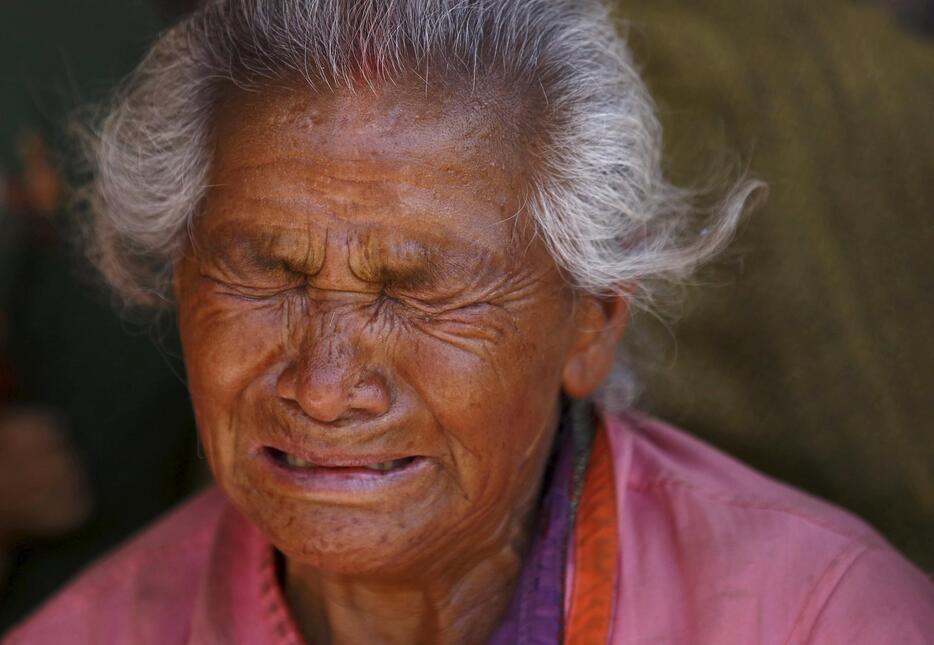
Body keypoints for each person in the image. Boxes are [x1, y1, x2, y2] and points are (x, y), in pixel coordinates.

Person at [4, 0, 933, 642]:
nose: (325, 386)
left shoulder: (829, 616)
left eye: (417, 290)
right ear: (181, 284)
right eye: (266, 273)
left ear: (592, 322)